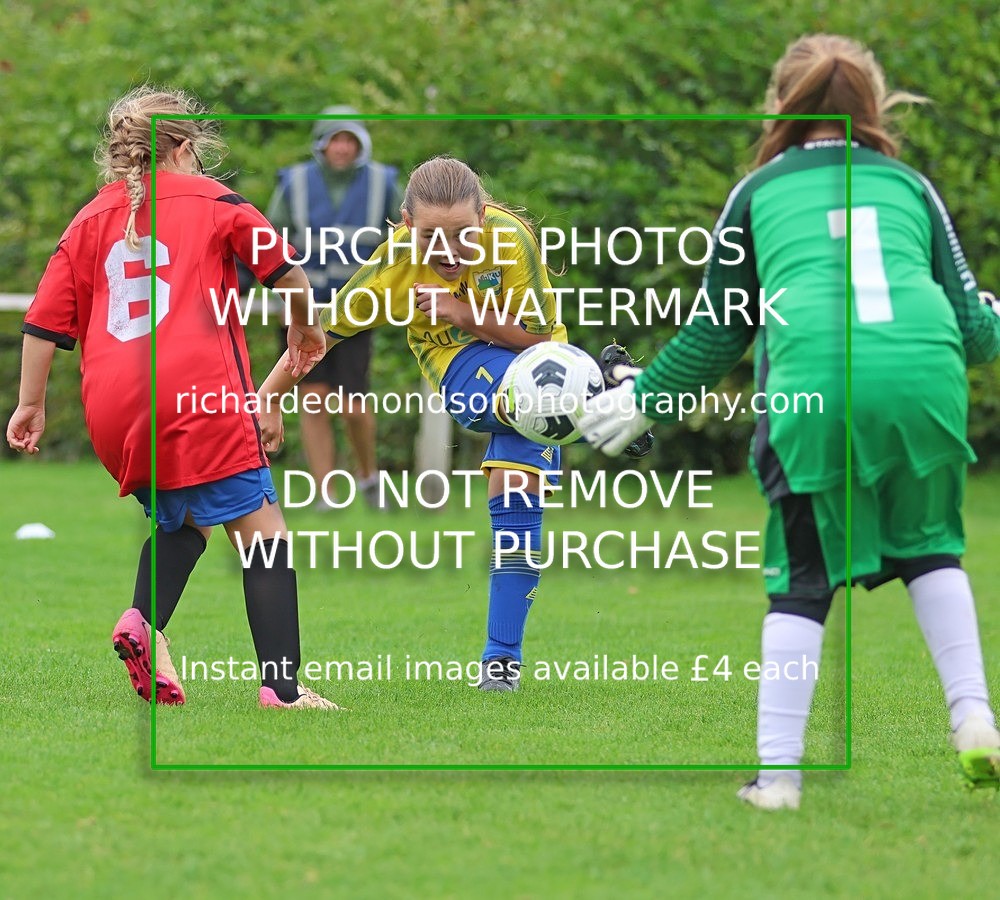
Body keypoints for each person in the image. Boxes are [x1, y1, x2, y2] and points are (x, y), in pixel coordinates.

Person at [579, 34, 1000, 805]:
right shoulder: (909, 185)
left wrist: (645, 399)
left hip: (817, 385)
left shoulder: (759, 192)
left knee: (803, 584)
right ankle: (974, 714)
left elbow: (718, 331)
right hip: (925, 377)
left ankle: (779, 780)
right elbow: (974, 329)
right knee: (932, 551)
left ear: (778, 104)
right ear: (874, 107)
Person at [6, 86, 340, 710]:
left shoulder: (88, 219)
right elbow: (286, 270)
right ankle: (283, 690)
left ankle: (142, 625)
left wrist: (31, 404)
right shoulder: (217, 200)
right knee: (264, 535)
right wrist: (306, 326)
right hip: (199, 391)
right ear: (184, 147)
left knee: (184, 518)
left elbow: (44, 324)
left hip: (116, 405)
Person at [259, 155, 648, 690]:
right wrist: (269, 396)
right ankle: (602, 395)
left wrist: (463, 312)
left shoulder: (511, 242)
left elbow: (537, 339)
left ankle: (500, 666)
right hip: (460, 364)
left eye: (463, 235)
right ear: (404, 224)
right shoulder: (395, 263)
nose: (447, 252)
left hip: (535, 362)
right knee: (508, 404)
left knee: (517, 507)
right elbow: (316, 337)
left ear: (484, 217)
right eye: (430, 237)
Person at [266, 107, 401, 509]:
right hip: (302, 309)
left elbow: (405, 239)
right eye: (335, 139)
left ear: (360, 144)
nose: (342, 148)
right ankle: (324, 490)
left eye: (350, 140)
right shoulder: (294, 184)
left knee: (352, 404)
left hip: (356, 310)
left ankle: (367, 475)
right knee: (313, 398)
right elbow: (270, 240)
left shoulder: (383, 183)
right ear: (321, 145)